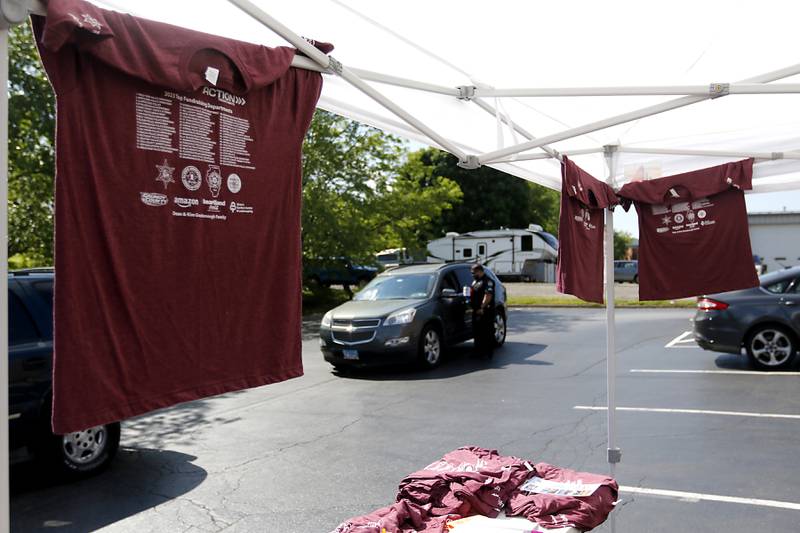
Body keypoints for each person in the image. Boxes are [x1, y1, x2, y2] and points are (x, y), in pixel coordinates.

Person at [469, 263, 496, 359]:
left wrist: (482, 307)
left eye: (474, 273)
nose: (472, 274)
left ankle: (488, 352)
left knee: (486, 332)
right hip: (476, 310)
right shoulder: (476, 281)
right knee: (477, 332)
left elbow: (488, 295)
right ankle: (478, 351)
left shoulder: (488, 281)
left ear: (480, 271)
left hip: (485, 311)